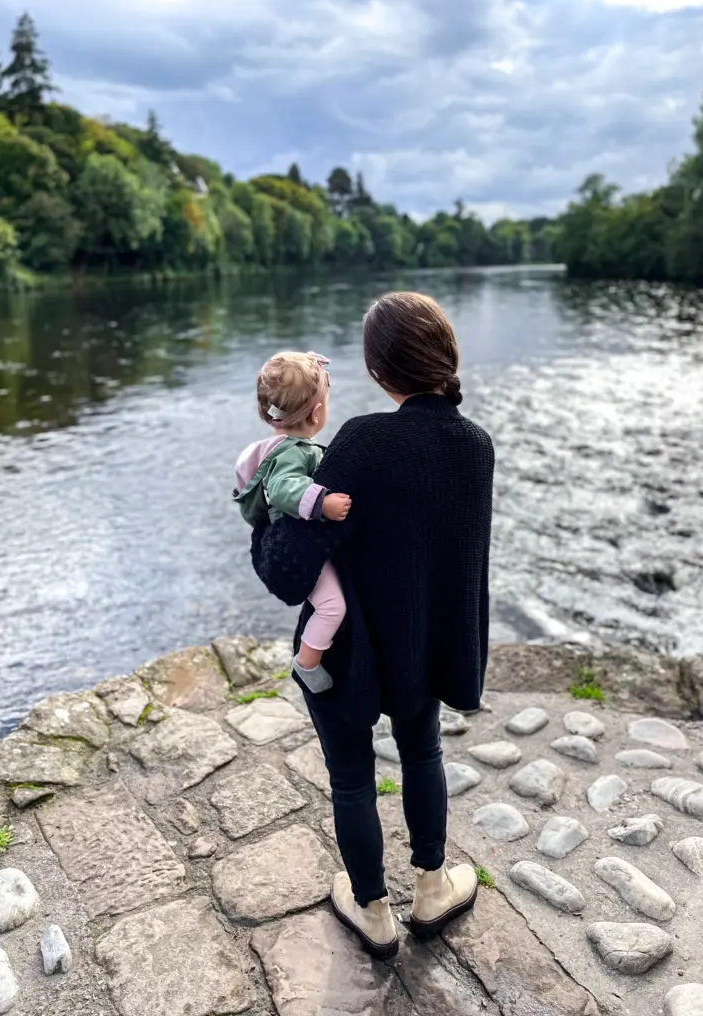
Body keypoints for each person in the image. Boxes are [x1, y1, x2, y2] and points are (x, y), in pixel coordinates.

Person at [250, 291, 495, 959]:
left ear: (378, 371)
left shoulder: (360, 441)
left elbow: (288, 572)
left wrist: (261, 515)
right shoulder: (476, 446)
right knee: (423, 755)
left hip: (349, 655)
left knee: (353, 777)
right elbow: (459, 565)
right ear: (444, 358)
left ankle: (373, 912)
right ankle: (432, 887)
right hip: (425, 653)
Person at [234, 351, 352, 693]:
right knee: (332, 606)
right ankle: (306, 664)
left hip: (297, 540)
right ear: (318, 412)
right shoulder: (291, 452)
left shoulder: (279, 447)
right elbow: (284, 489)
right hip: (294, 545)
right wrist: (323, 504)